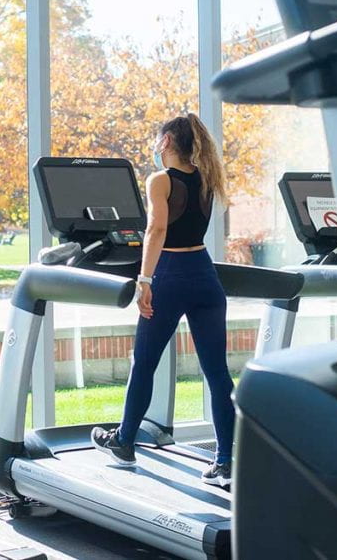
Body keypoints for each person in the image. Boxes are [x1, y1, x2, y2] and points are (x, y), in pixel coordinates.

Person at [91, 113, 234, 487]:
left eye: (158, 138)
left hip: (169, 274)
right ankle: (227, 462)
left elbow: (156, 229)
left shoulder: (161, 180)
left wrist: (144, 280)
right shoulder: (207, 177)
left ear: (167, 140)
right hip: (204, 275)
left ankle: (123, 441)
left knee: (145, 362)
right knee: (217, 373)